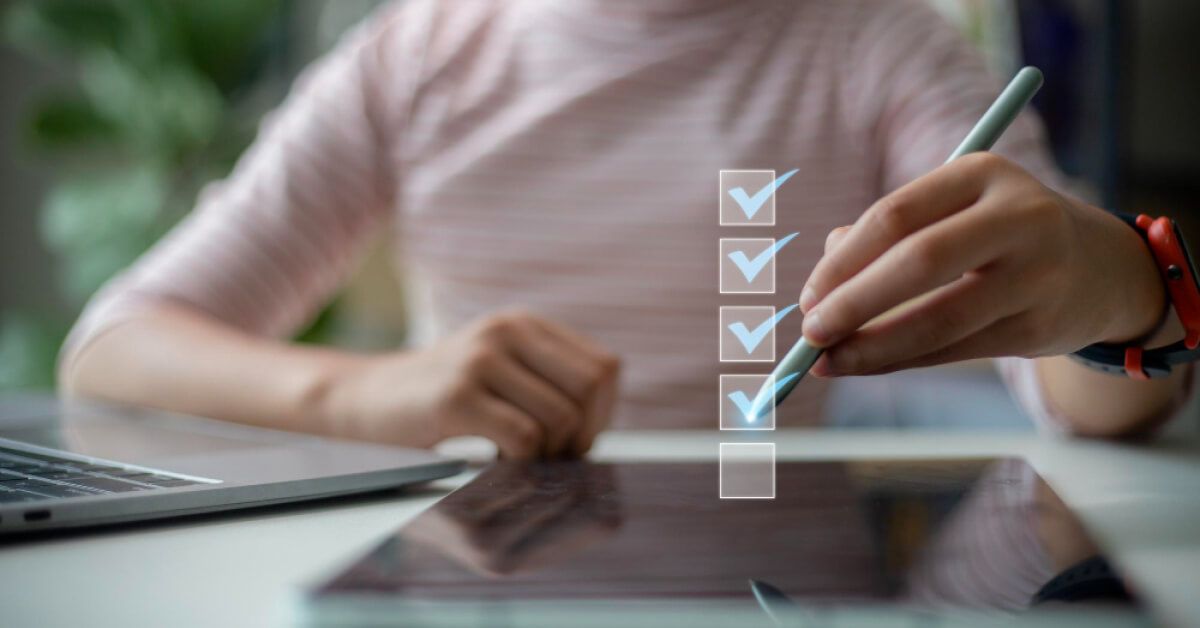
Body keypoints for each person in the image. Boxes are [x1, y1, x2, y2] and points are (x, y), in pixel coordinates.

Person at [58, 0, 1191, 460]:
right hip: (475, 576)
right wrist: (374, 393)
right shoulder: (415, 58)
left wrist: (1120, 288)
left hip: (762, 577)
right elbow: (114, 351)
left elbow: (1086, 399)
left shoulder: (875, 43)